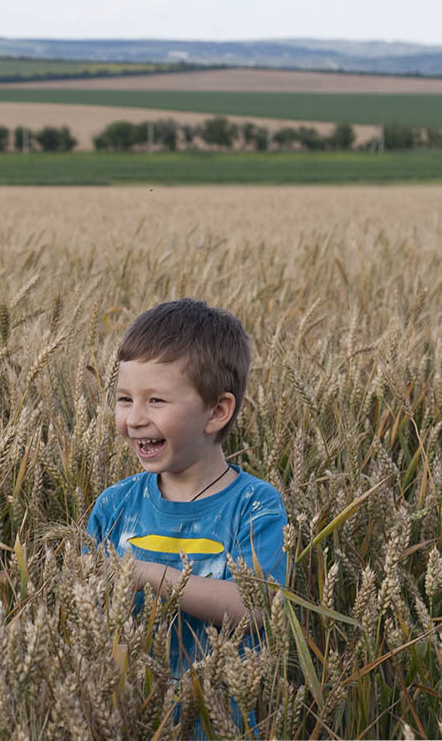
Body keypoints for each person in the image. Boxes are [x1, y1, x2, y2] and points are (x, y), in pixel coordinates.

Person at [85, 298, 289, 727]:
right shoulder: (114, 504)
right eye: (124, 399)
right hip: (128, 720)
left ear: (217, 412)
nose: (134, 418)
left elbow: (252, 608)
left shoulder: (254, 505)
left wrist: (140, 572)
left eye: (156, 400)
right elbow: (88, 614)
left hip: (219, 726)